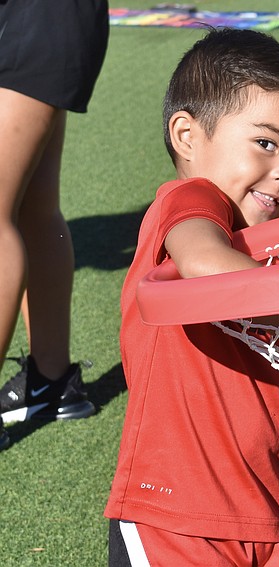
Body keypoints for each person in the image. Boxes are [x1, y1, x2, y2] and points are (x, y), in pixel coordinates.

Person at [105, 28, 279, 566]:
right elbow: (204, 266)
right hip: (177, 518)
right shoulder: (192, 201)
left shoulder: (255, 263)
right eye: (267, 143)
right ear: (187, 136)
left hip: (261, 516)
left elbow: (267, 388)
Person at [0, 1, 109, 450]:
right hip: (43, 18)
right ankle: (51, 381)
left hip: (39, 17)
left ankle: (52, 380)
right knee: (32, 210)